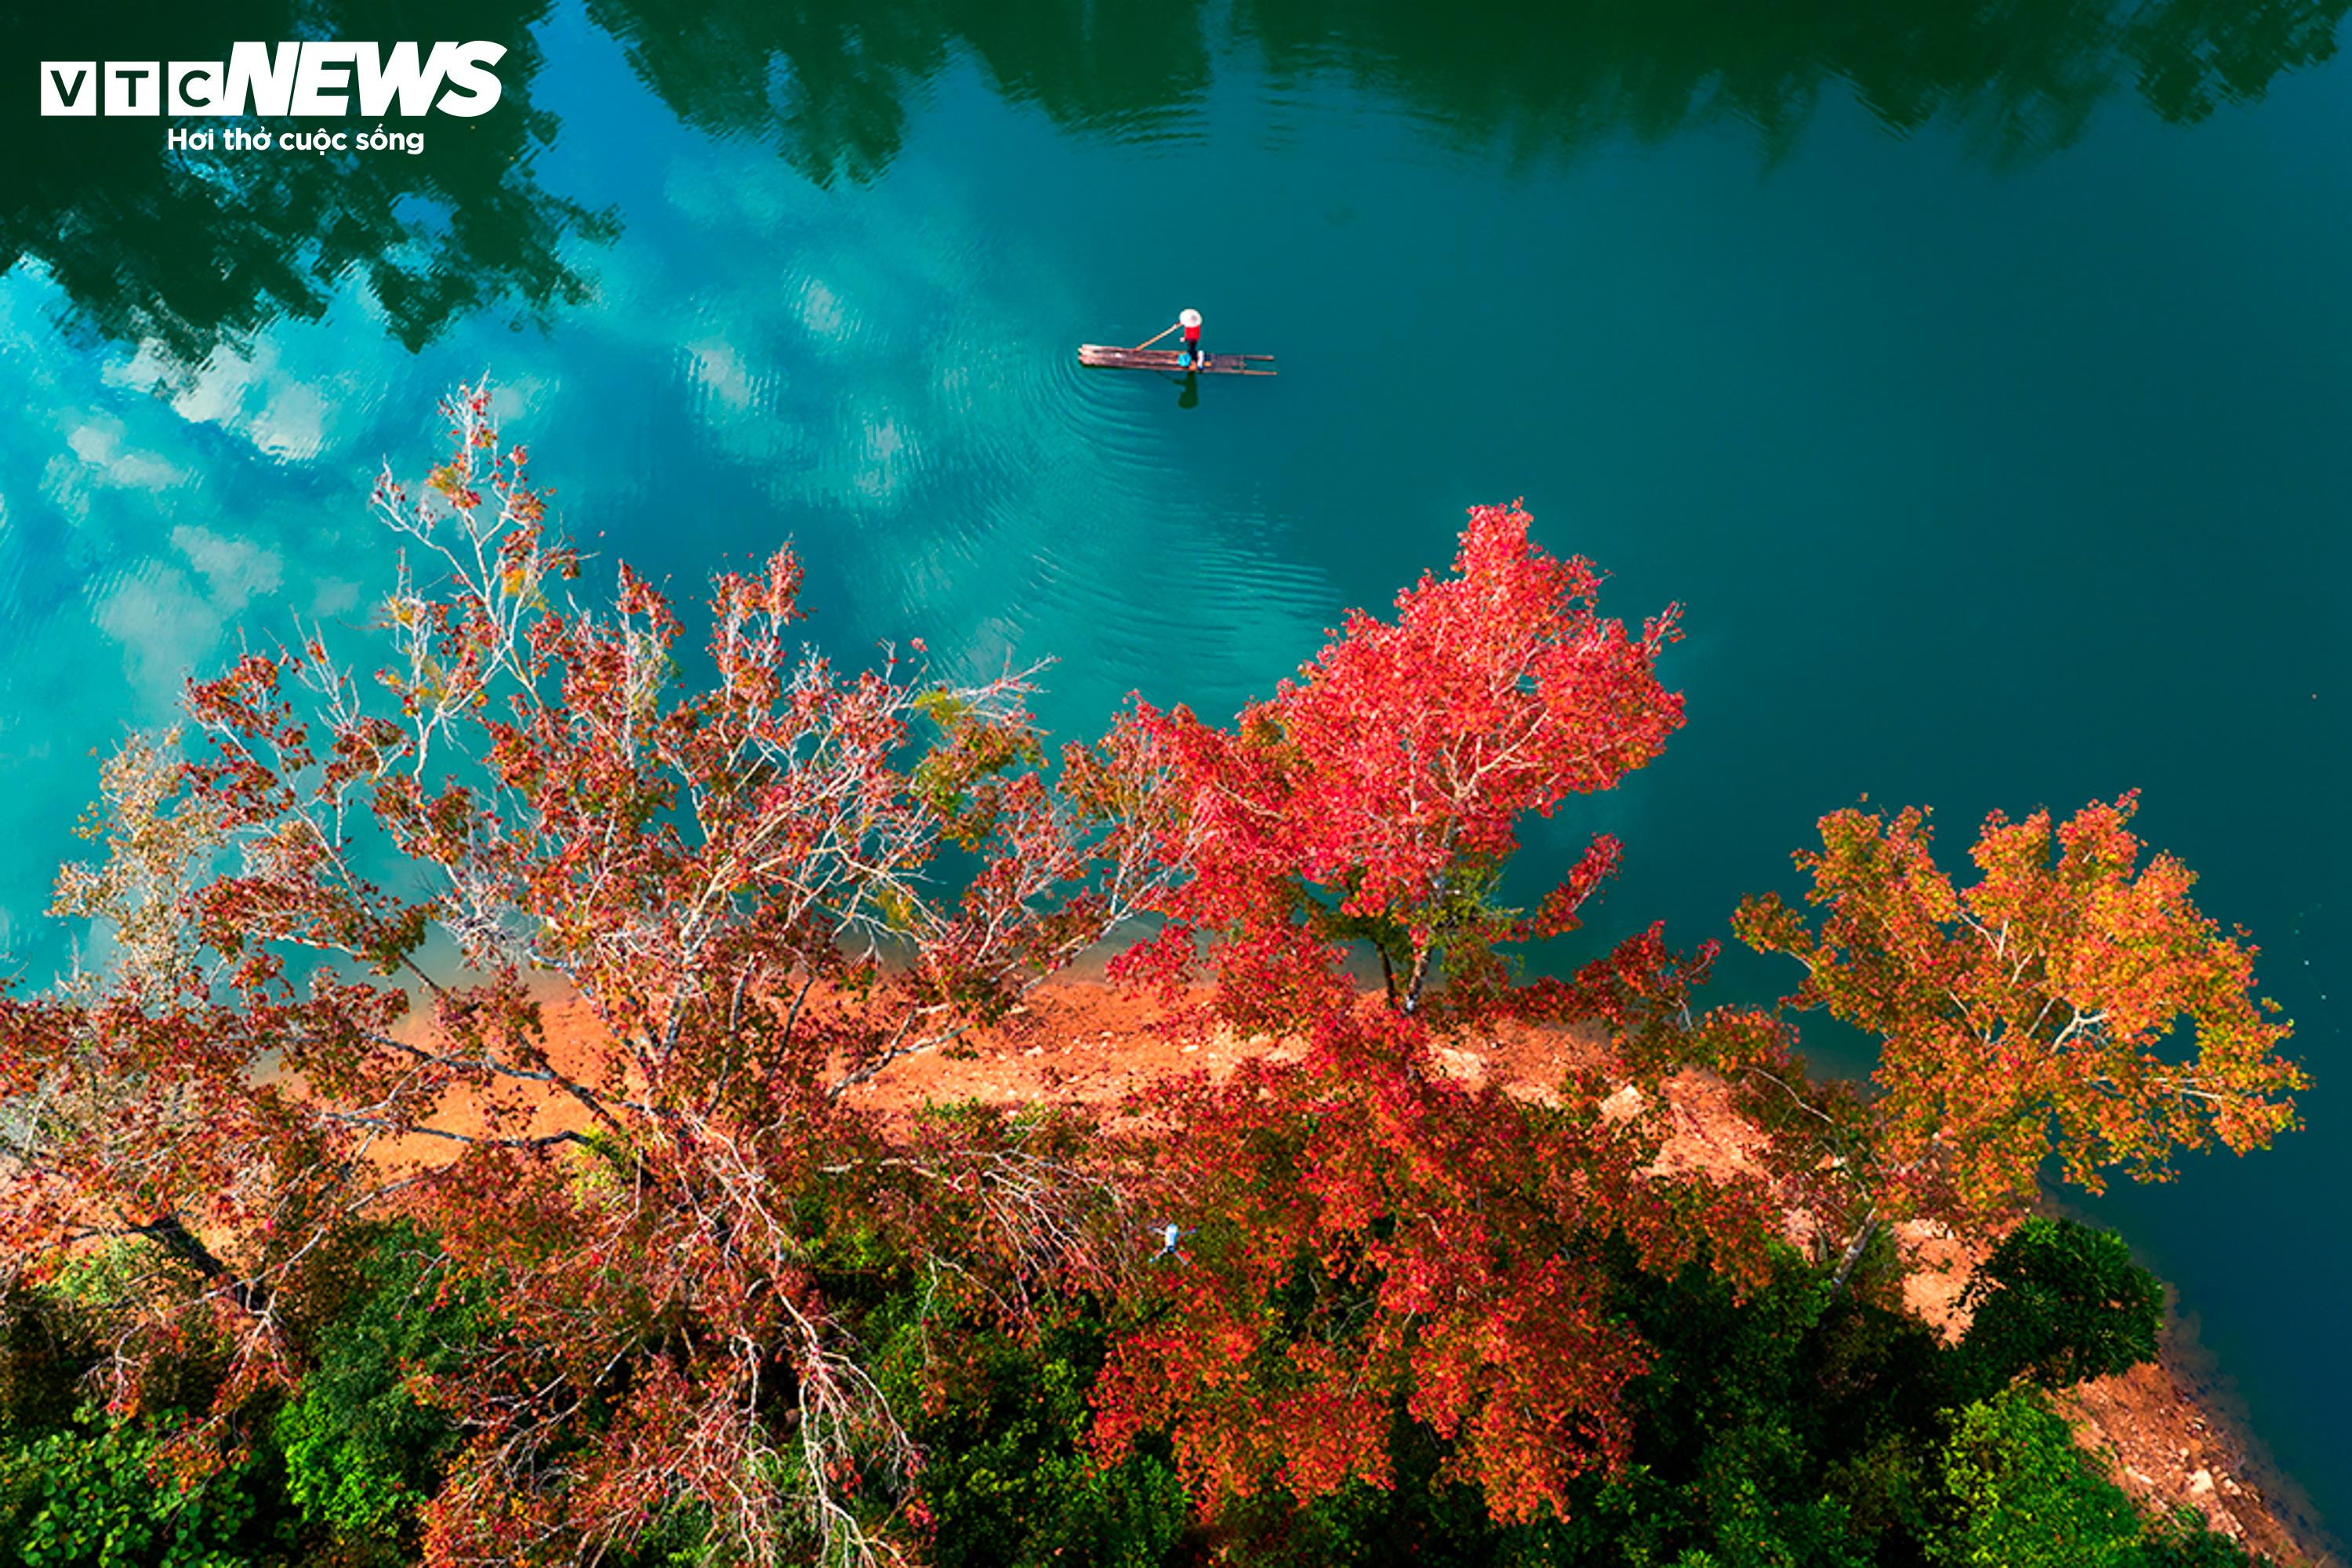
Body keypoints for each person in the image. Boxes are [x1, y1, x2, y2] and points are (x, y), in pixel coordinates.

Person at [1178, 307, 1203, 371]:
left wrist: (1185, 339)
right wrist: (1179, 324)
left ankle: (1194, 361)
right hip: (1193, 338)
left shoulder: (1193, 327)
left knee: (1191, 349)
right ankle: (1193, 358)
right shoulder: (1194, 324)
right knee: (1191, 349)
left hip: (1193, 339)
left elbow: (1190, 335)